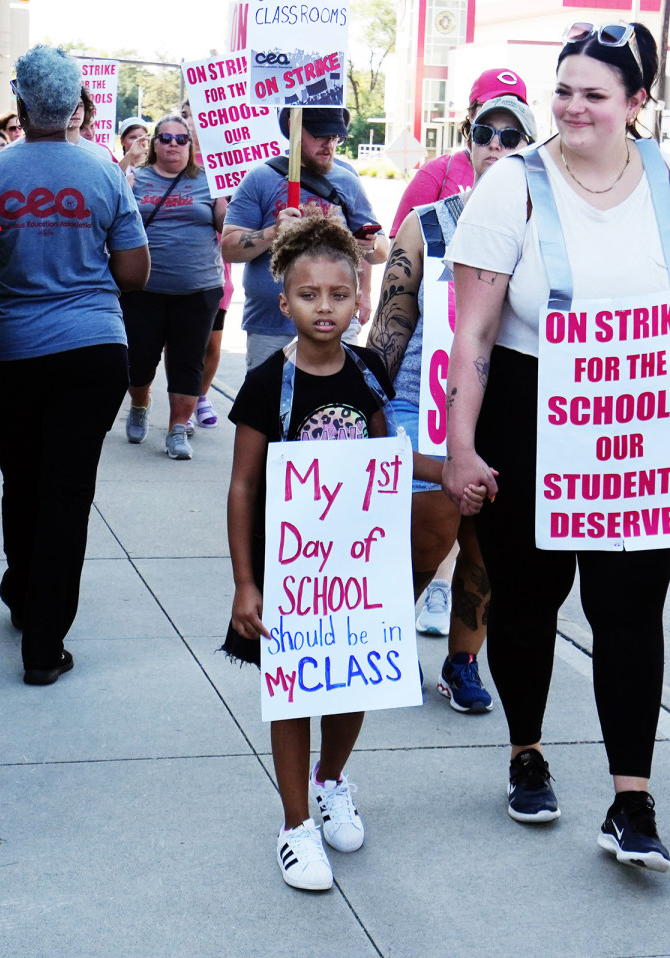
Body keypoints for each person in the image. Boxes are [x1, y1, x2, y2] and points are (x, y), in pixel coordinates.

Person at [442, 21, 670, 871]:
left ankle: (631, 800)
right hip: (530, 414)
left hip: (641, 421)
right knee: (527, 604)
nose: (571, 107)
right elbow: (474, 336)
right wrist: (461, 446)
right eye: (562, 89)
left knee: (630, 613)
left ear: (639, 103)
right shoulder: (513, 186)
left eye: (594, 94)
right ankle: (526, 751)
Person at [222, 215, 396, 891]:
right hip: (288, 569)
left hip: (355, 569)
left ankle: (331, 782)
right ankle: (296, 825)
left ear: (359, 298)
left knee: (350, 678)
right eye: (309, 295)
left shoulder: (369, 369)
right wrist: (245, 582)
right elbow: (241, 487)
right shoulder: (267, 383)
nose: (325, 308)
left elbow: (389, 458)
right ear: (283, 299)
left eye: (339, 295)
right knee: (293, 694)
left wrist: (450, 475)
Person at [0, 45, 149, 685]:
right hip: (93, 350)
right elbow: (133, 270)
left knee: (21, 479)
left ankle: (23, 596)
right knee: (68, 492)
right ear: (76, 105)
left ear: (19, 103)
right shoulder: (104, 172)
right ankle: (45, 646)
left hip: (14, 351)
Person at [370, 89, 537, 712]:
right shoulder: (429, 223)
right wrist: (364, 402)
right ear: (467, 142)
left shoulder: (540, 230)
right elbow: (391, 321)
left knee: (485, 549)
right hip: (424, 402)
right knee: (429, 532)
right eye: (484, 134)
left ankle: (463, 661)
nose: (496, 146)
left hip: (505, 408)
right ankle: (384, 635)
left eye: (511, 137)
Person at [221, 106, 388, 371]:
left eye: (335, 137)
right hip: (272, 326)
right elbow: (229, 248)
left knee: (335, 406)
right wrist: (273, 232)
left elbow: (382, 251)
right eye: (321, 135)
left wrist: (370, 244)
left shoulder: (347, 181)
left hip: (335, 322)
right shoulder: (260, 178)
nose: (329, 144)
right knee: (269, 408)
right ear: (293, 129)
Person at [122, 113, 228, 459]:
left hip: (198, 288)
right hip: (144, 288)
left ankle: (177, 429)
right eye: (165, 138)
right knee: (139, 359)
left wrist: (228, 194)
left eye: (181, 139)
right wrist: (127, 165)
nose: (173, 144)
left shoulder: (211, 181)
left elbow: (225, 226)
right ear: (153, 144)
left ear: (191, 145)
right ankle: (139, 405)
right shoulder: (137, 178)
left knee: (188, 361)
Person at [388, 67, 530, 237]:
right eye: (489, 103)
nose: (495, 143)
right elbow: (402, 243)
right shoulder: (436, 171)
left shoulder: (534, 183)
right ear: (471, 114)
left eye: (510, 105)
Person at [184, 98, 233, 429]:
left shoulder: (229, 164)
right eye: (187, 115)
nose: (193, 123)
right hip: (182, 270)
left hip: (219, 270)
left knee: (212, 343)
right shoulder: (174, 159)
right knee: (183, 345)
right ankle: (183, 408)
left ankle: (201, 394)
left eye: (198, 115)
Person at [68, 88, 115, 162]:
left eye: (80, 105)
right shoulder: (46, 150)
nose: (76, 111)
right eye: (70, 105)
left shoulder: (101, 153)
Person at [117, 116, 151, 182]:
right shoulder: (117, 168)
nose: (138, 141)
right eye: (133, 138)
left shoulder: (155, 166)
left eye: (142, 137)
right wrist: (130, 155)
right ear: (122, 141)